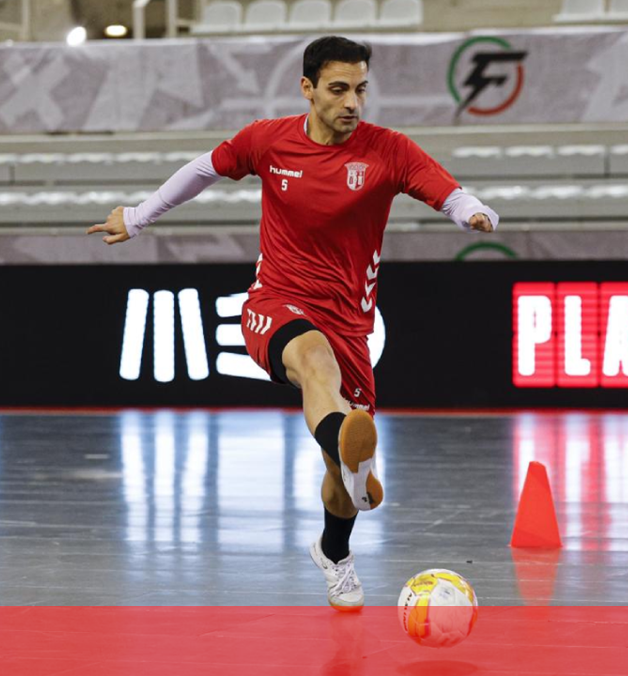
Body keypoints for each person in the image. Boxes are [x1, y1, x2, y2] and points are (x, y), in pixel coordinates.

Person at [85, 37, 499, 609]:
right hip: (275, 302)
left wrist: (470, 209)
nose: (351, 102)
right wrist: (136, 216)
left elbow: (442, 188)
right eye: (338, 89)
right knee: (314, 363)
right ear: (307, 89)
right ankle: (353, 451)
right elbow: (203, 169)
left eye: (360, 89)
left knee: (340, 481)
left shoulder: (389, 150)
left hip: (350, 321)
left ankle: (335, 546)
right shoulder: (269, 141)